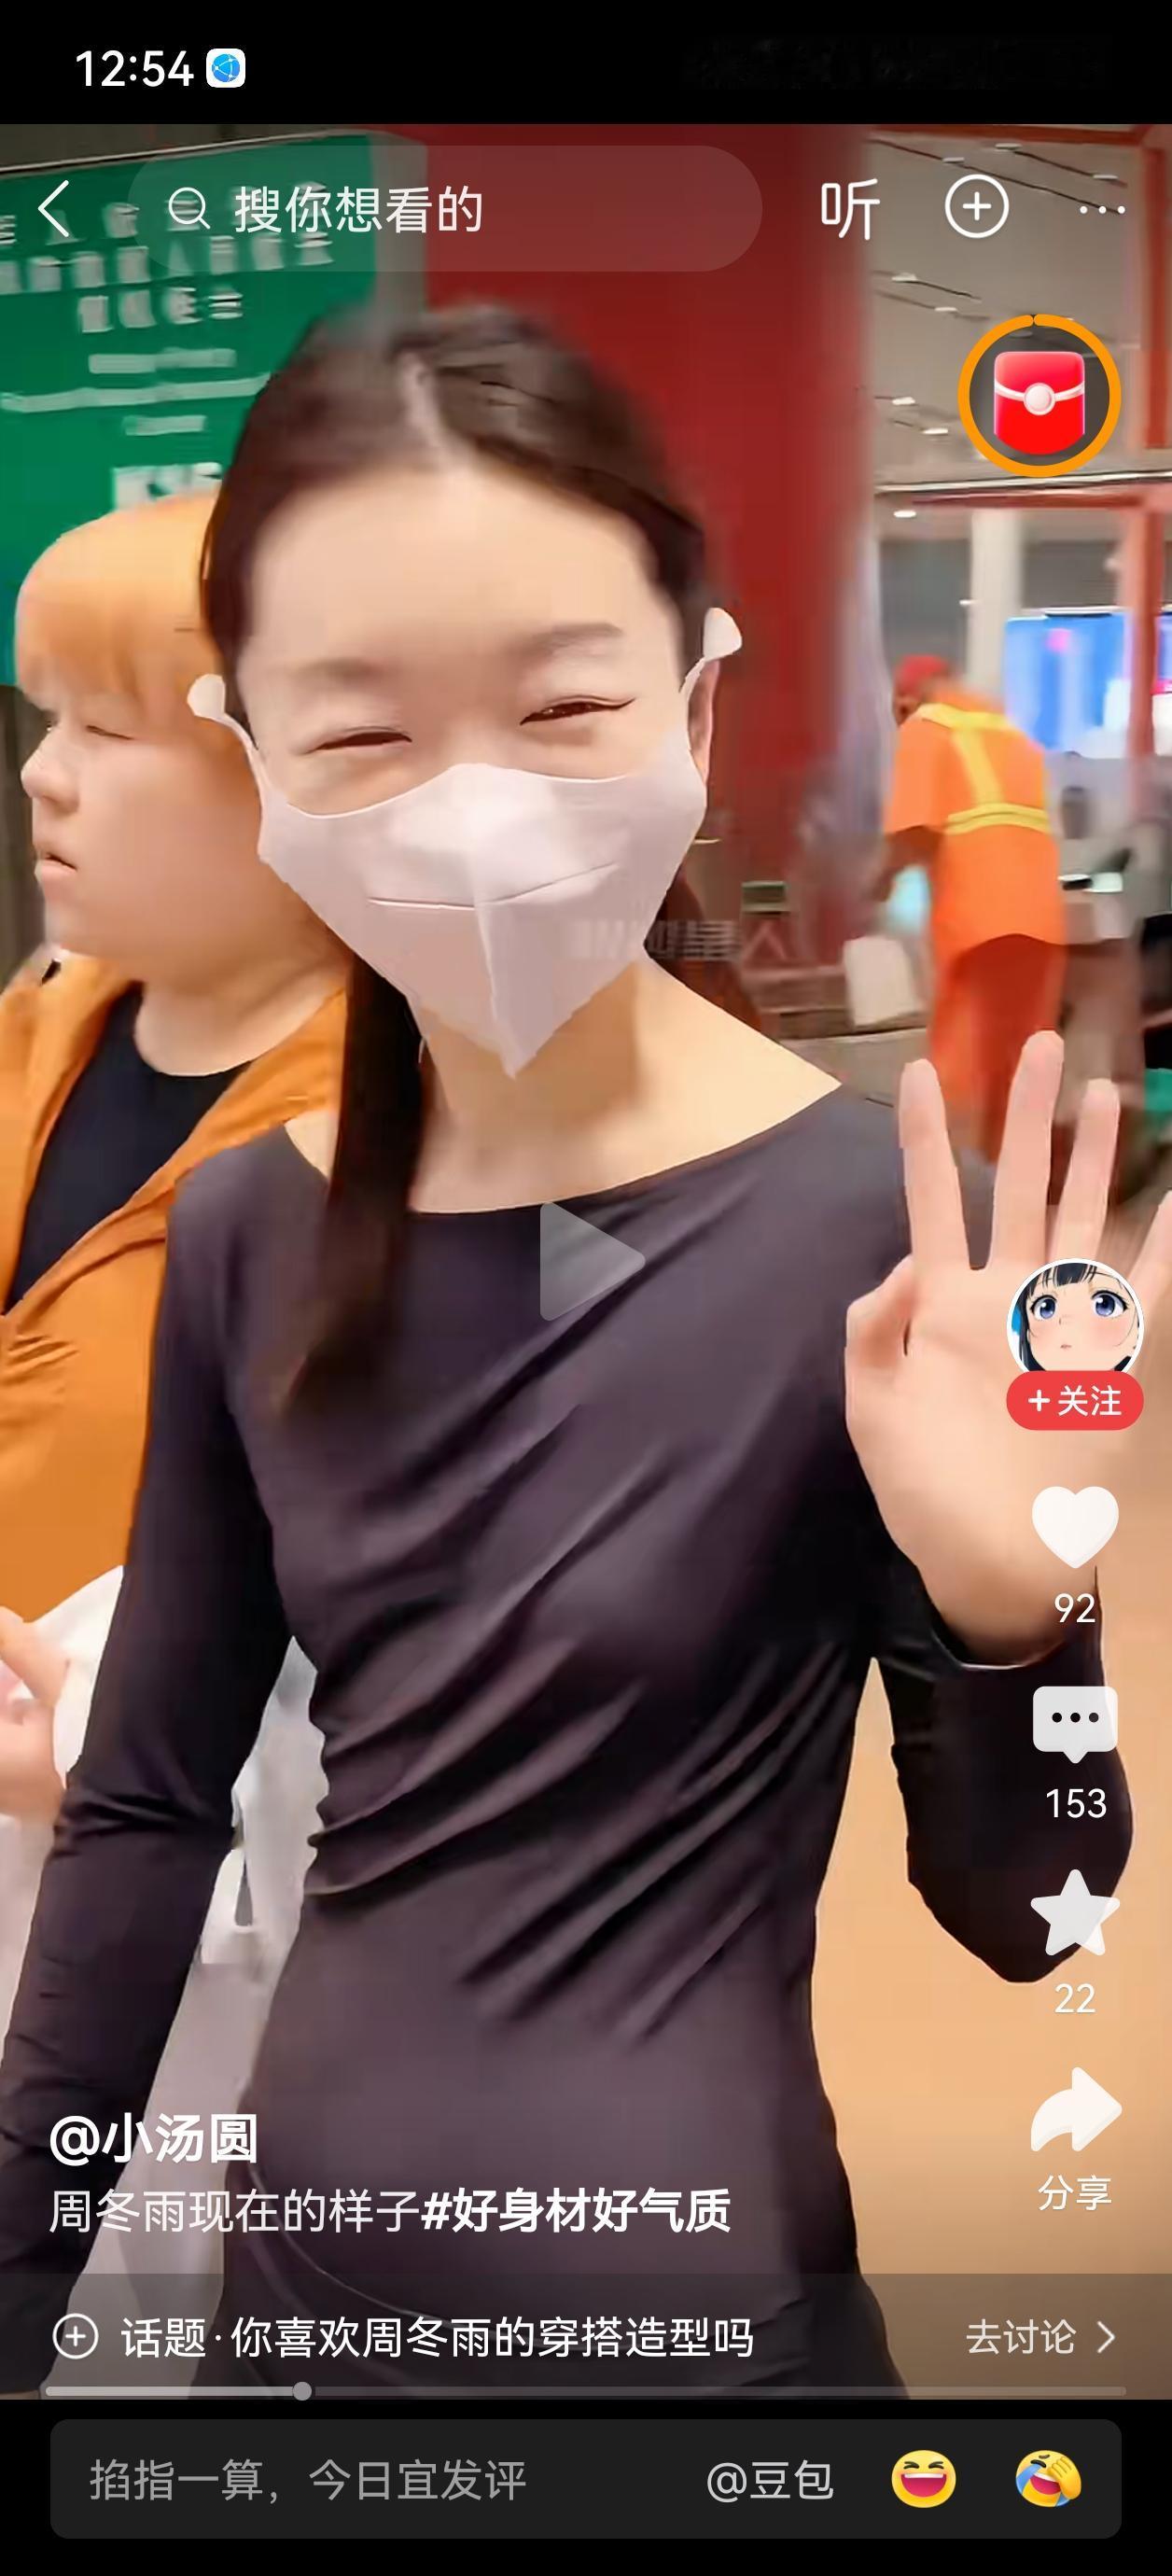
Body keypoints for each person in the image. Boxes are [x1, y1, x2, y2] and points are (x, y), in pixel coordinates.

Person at [0, 306, 1166, 2400]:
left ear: (693, 704)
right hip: (294, 2342)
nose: (471, 808)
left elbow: (1041, 1914)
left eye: (559, 706)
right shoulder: (257, 1226)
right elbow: (146, 1816)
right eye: (364, 734)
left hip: (709, 2358)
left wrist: (1022, 1608)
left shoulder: (885, 1238)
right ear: (260, 764)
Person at [0, 494, 344, 2303]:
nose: (42, 778)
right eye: (42, 718)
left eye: (106, 732)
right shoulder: (44, 1030)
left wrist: (122, 1770)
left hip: (218, 1926)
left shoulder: (407, 1147)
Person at [873, 652, 1067, 1163]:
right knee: (1021, 1067)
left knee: (961, 1067)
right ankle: (1011, 1187)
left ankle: (949, 1187)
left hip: (979, 922)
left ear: (906, 701)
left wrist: (876, 883)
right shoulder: (1012, 737)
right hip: (1043, 923)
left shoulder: (928, 726)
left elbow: (915, 832)